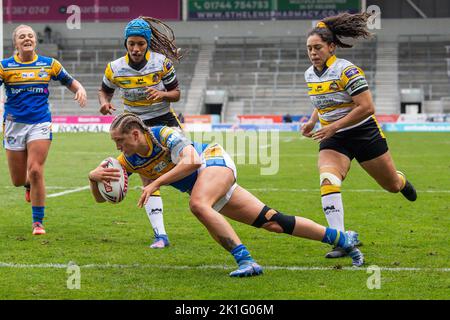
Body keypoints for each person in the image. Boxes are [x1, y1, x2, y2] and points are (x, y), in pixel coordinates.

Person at [88, 114, 364, 277]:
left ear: (135, 134)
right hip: (207, 183)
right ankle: (342, 238)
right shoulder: (129, 160)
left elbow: (193, 160)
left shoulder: (164, 134)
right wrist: (93, 180)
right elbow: (107, 199)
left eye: (120, 141)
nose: (118, 147)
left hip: (213, 161)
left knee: (198, 204)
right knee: (273, 221)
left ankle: (246, 261)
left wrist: (153, 183)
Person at [301, 13, 417, 259]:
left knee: (391, 186)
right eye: (309, 48)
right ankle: (341, 239)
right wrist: (312, 121)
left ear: (331, 47)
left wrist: (332, 126)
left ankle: (401, 181)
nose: (313, 52)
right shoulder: (309, 74)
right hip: (333, 139)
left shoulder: (348, 71)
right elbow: (322, 101)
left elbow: (366, 107)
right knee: (328, 180)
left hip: (364, 133)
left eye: (317, 47)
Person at [98, 17, 183, 249]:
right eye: (131, 43)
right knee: (148, 176)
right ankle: (161, 235)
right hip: (135, 125)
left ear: (147, 43)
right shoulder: (114, 68)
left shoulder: (162, 63)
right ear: (125, 43)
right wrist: (105, 103)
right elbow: (104, 92)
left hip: (164, 121)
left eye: (141, 44)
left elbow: (176, 93)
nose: (136, 49)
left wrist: (162, 95)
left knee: (185, 166)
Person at [0, 25, 87, 235]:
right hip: (13, 125)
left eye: (30, 35)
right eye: (22, 37)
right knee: (18, 180)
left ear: (35, 41)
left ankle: (37, 222)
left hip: (40, 122)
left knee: (36, 170)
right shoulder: (5, 67)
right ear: (16, 43)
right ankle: (28, 185)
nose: (27, 38)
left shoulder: (49, 64)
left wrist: (80, 89)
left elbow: (69, 81)